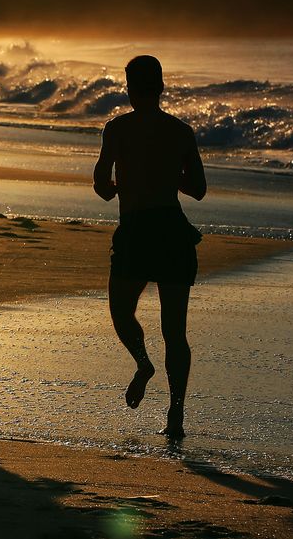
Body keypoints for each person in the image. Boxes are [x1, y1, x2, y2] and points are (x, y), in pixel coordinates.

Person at [93, 55, 207, 439]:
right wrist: (168, 174)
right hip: (172, 232)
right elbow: (199, 189)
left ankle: (143, 365)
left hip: (137, 231)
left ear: (129, 88)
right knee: (175, 331)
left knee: (122, 314)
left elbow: (101, 186)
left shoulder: (117, 129)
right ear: (161, 87)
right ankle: (176, 412)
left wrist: (122, 184)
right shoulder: (180, 131)